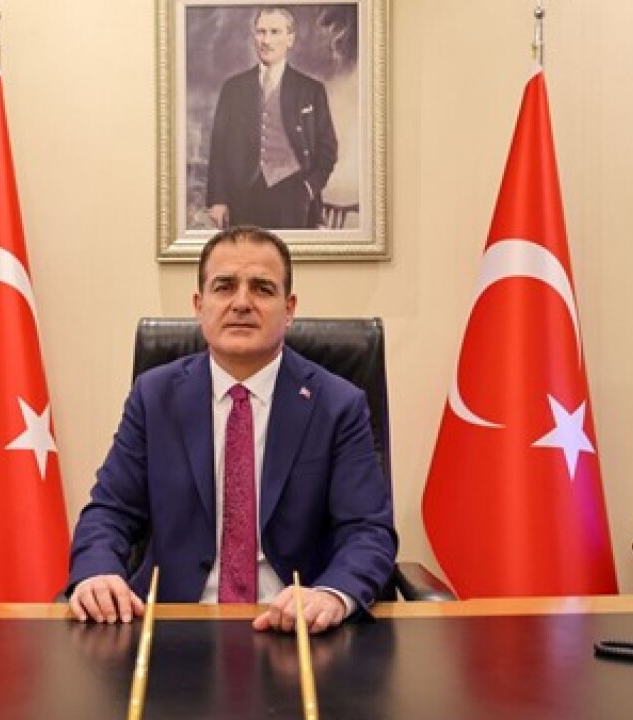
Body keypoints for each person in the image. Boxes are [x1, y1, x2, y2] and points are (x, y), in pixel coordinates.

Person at [68, 226, 396, 634]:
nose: (241, 303)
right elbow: (111, 511)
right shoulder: (154, 396)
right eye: (224, 287)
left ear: (289, 308)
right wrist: (98, 573)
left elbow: (367, 530)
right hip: (173, 627)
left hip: (294, 627)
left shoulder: (337, 404)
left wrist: (331, 594)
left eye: (262, 288)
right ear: (199, 305)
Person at [205, 6, 338, 230]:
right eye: (261, 32)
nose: (266, 40)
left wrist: (308, 188)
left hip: (293, 196)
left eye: (275, 32)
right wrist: (218, 200)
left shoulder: (311, 90)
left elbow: (328, 149)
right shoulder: (233, 88)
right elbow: (219, 149)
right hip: (243, 196)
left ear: (290, 39)